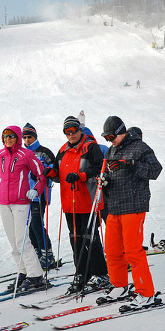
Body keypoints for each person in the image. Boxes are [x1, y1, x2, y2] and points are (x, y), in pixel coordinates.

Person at [98, 116, 162, 308]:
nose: (110, 141)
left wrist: (131, 165)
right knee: (111, 250)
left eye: (111, 136)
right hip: (115, 206)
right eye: (107, 138)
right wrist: (104, 182)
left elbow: (155, 171)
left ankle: (146, 292)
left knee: (133, 251)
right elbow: (109, 174)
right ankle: (119, 285)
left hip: (133, 205)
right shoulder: (111, 150)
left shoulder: (140, 148)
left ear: (121, 131)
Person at [52, 116, 109, 293]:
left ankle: (100, 273)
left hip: (88, 201)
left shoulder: (90, 147)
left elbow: (101, 168)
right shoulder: (62, 151)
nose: (71, 134)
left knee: (90, 238)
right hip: (70, 203)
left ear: (79, 130)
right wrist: (50, 173)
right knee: (75, 239)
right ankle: (82, 272)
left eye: (73, 130)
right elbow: (59, 175)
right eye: (67, 132)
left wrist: (81, 175)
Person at [0, 125, 47, 291]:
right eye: (5, 136)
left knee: (22, 241)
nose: (8, 139)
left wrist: (36, 190)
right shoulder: (0, 155)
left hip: (21, 202)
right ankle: (23, 272)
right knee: (13, 242)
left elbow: (42, 174)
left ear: (17, 137)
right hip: (4, 202)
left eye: (11, 136)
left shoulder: (27, 155)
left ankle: (35, 275)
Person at [22, 123, 58, 270]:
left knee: (37, 223)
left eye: (29, 137)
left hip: (40, 194)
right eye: (24, 137)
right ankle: (38, 253)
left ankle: (47, 255)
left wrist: (48, 171)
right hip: (25, 195)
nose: (27, 140)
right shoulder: (22, 153)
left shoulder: (44, 152)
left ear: (35, 137)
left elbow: (55, 169)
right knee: (30, 226)